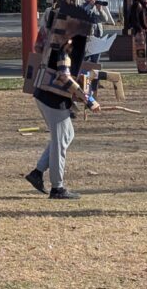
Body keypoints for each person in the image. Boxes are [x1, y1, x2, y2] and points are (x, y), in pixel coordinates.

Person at [25, 37, 98, 200]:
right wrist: (88, 99)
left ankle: (37, 173)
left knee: (67, 136)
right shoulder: (64, 50)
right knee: (60, 143)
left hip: (46, 96)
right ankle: (57, 188)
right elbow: (64, 77)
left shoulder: (55, 44)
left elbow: (38, 45)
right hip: (52, 99)